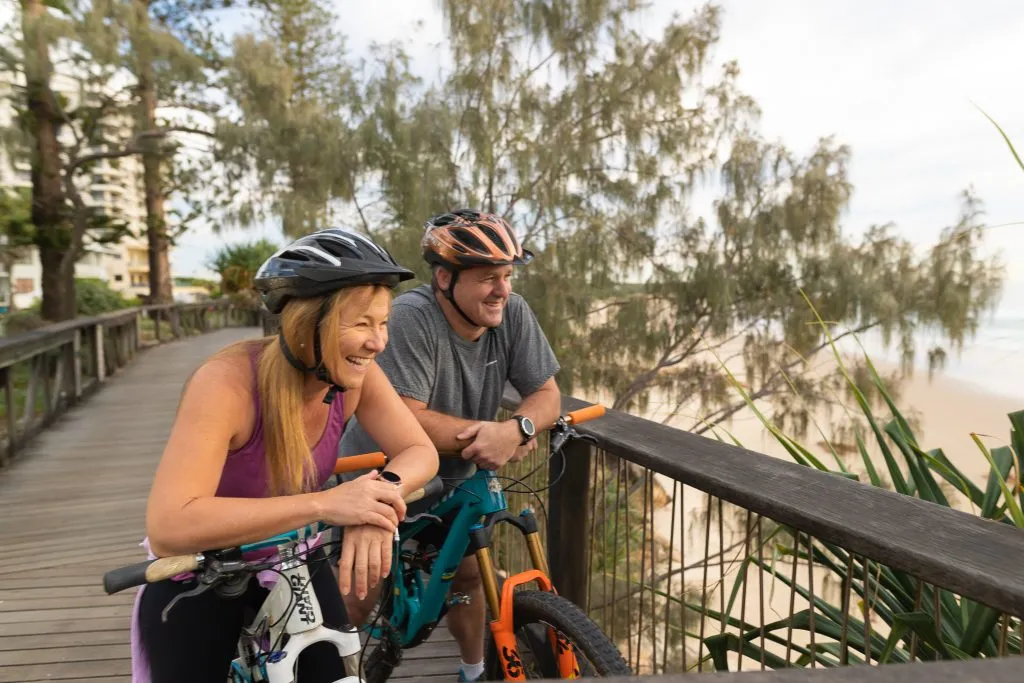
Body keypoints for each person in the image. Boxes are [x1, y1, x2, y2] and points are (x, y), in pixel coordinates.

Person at [131, 228, 439, 683]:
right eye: (361, 324)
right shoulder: (226, 385)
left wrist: (377, 502)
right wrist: (326, 504)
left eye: (384, 322)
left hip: (291, 559)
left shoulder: (355, 376)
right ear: (305, 324)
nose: (379, 343)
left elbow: (419, 450)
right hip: (197, 572)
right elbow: (170, 524)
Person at [338, 209, 562, 682]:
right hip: (380, 472)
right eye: (487, 278)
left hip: (456, 475)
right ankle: (336, 669)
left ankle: (473, 670)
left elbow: (547, 395)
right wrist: (489, 434)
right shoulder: (411, 319)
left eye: (507, 276)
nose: (502, 290)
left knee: (467, 574)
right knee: (361, 586)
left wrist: (515, 429)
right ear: (444, 278)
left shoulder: (512, 312)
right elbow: (406, 419)